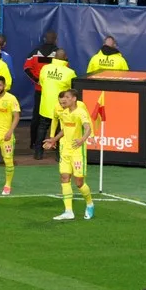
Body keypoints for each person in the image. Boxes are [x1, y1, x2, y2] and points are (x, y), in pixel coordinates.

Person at [44, 89, 95, 220]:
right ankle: (68, 211)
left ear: (74, 99)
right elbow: (64, 130)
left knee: (79, 182)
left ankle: (89, 203)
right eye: (62, 98)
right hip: (65, 150)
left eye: (67, 97)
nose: (64, 100)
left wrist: (82, 140)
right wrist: (54, 139)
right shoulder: (64, 113)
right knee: (64, 177)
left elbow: (88, 128)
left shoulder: (81, 112)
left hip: (77, 151)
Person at [35, 48, 76, 159]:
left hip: (46, 105)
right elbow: (73, 89)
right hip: (61, 107)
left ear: (54, 57)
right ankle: (59, 155)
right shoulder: (70, 72)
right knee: (61, 130)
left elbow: (42, 83)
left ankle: (38, 153)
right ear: (65, 58)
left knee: (42, 128)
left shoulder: (45, 68)